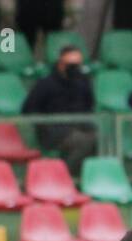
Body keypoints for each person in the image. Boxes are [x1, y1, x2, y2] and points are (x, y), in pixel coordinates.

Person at [20, 44, 96, 174]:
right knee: (85, 141)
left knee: (101, 138)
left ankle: (84, 178)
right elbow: (28, 109)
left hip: (80, 127)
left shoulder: (83, 82)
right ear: (61, 64)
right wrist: (47, 123)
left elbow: (89, 105)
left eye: (78, 65)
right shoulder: (45, 84)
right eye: (71, 66)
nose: (75, 69)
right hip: (53, 133)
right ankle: (61, 175)